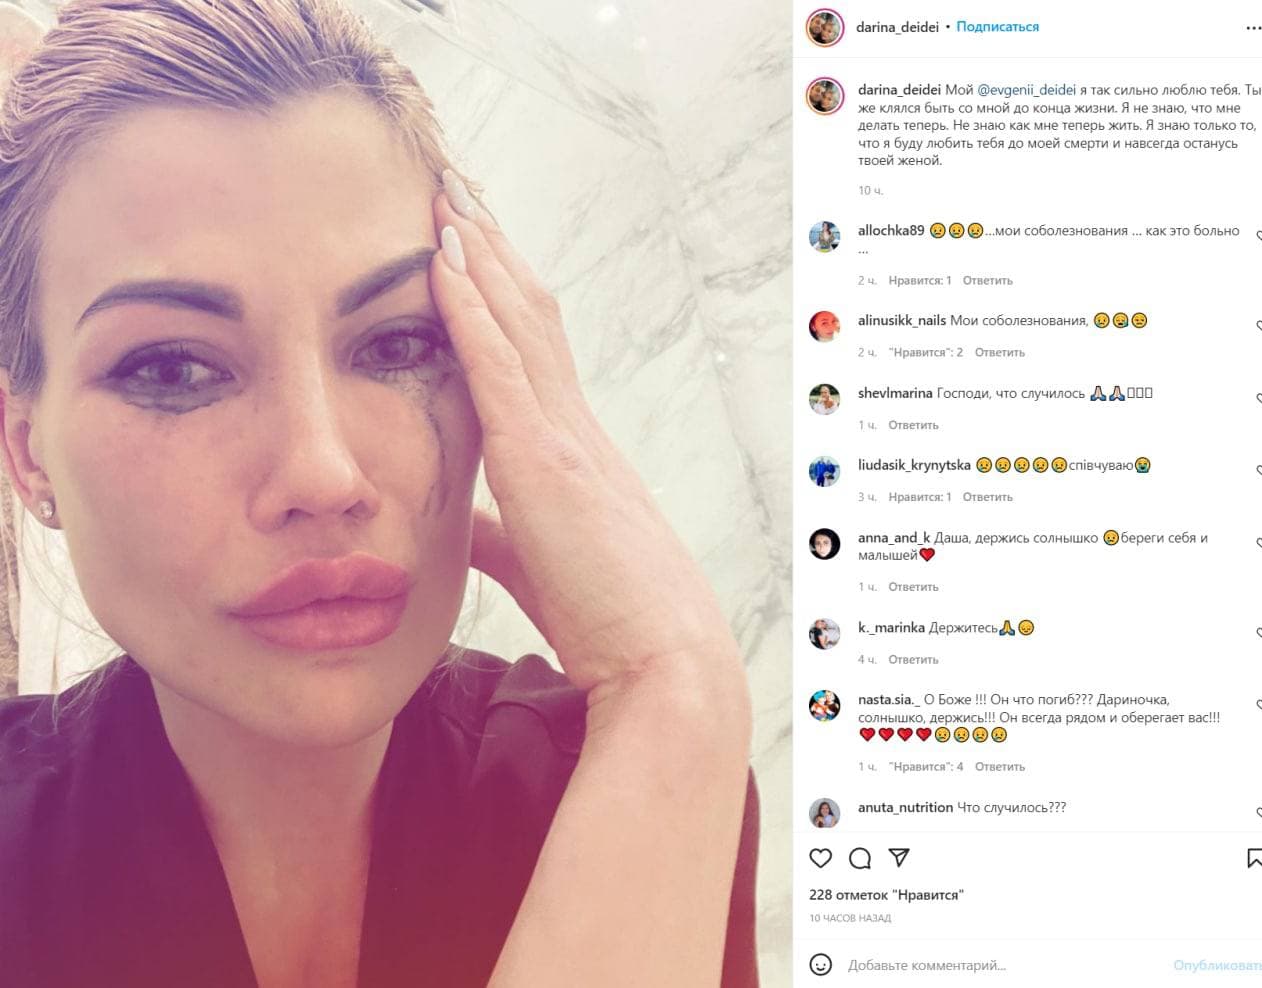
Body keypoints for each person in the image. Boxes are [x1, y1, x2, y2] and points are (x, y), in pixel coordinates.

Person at [0, 1, 759, 986]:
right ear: (28, 450)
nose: (322, 474)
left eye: (400, 344)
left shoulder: (639, 767)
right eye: (173, 368)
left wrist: (675, 687)